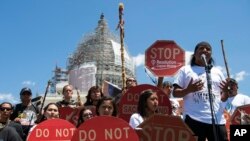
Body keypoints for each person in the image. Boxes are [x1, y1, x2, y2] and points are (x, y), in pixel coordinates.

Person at [172, 41, 229, 141]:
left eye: (208, 49)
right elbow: (175, 93)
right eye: (201, 48)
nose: (205, 50)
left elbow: (223, 99)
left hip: (217, 120)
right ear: (194, 54)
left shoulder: (218, 72)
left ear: (211, 55)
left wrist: (226, 92)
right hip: (193, 119)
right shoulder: (186, 70)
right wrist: (189, 89)